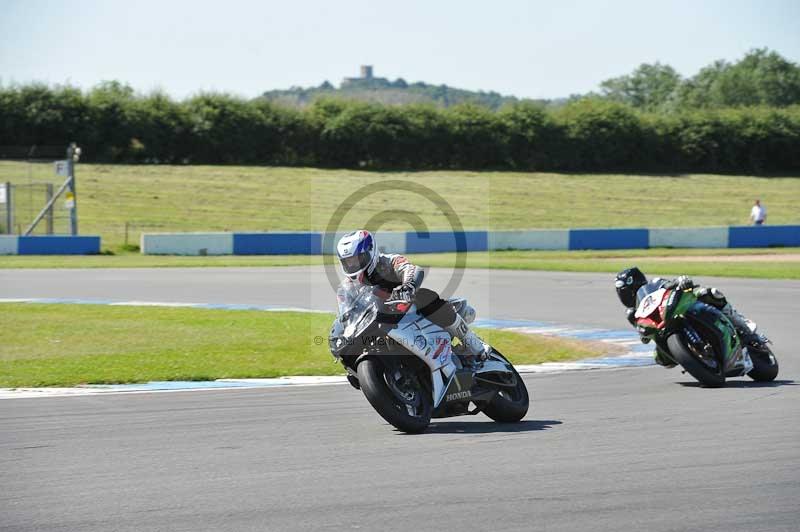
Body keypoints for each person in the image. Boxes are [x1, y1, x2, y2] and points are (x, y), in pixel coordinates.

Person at [335, 229, 489, 360]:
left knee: (426, 297)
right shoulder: (346, 287)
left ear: (370, 252)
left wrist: (407, 286)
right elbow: (345, 312)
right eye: (348, 262)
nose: (352, 265)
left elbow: (411, 270)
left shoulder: (389, 261)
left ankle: (474, 344)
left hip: (407, 310)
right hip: (379, 322)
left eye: (356, 259)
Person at [614, 267, 758, 367]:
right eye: (620, 292)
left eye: (624, 291)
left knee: (710, 293)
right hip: (662, 331)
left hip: (678, 308)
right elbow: (643, 336)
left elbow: (671, 285)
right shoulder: (633, 313)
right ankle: (694, 359)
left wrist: (681, 281)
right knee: (660, 359)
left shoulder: (655, 283)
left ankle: (742, 324)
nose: (623, 295)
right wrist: (644, 333)